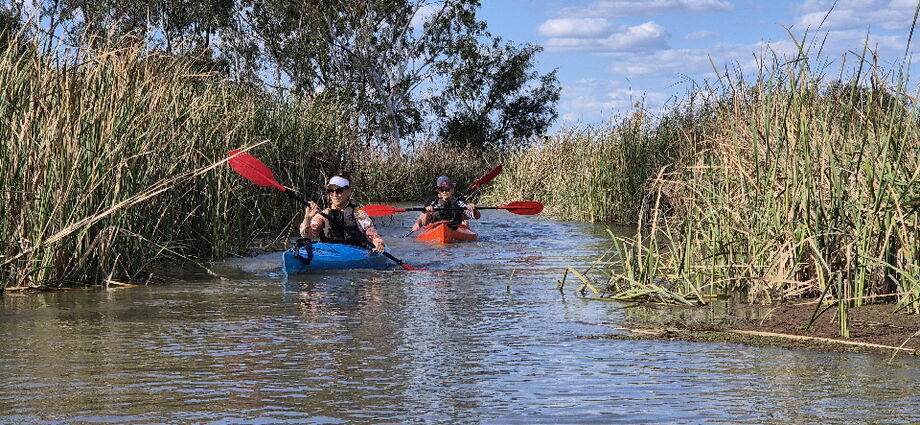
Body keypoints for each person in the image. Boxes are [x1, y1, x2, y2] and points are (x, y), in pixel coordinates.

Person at [299, 171, 387, 253]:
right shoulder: (323, 214)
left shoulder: (359, 214)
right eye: (330, 191)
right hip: (331, 253)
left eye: (339, 190)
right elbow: (307, 235)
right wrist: (307, 217)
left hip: (355, 252)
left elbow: (373, 235)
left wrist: (378, 244)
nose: (334, 195)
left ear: (349, 192)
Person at [411, 176, 480, 231]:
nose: (444, 192)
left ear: (452, 190)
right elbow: (423, 221)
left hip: (454, 227)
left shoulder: (458, 201)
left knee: (465, 222)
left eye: (447, 189)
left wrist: (473, 209)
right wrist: (427, 214)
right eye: (441, 190)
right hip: (436, 227)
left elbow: (474, 216)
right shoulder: (432, 201)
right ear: (438, 190)